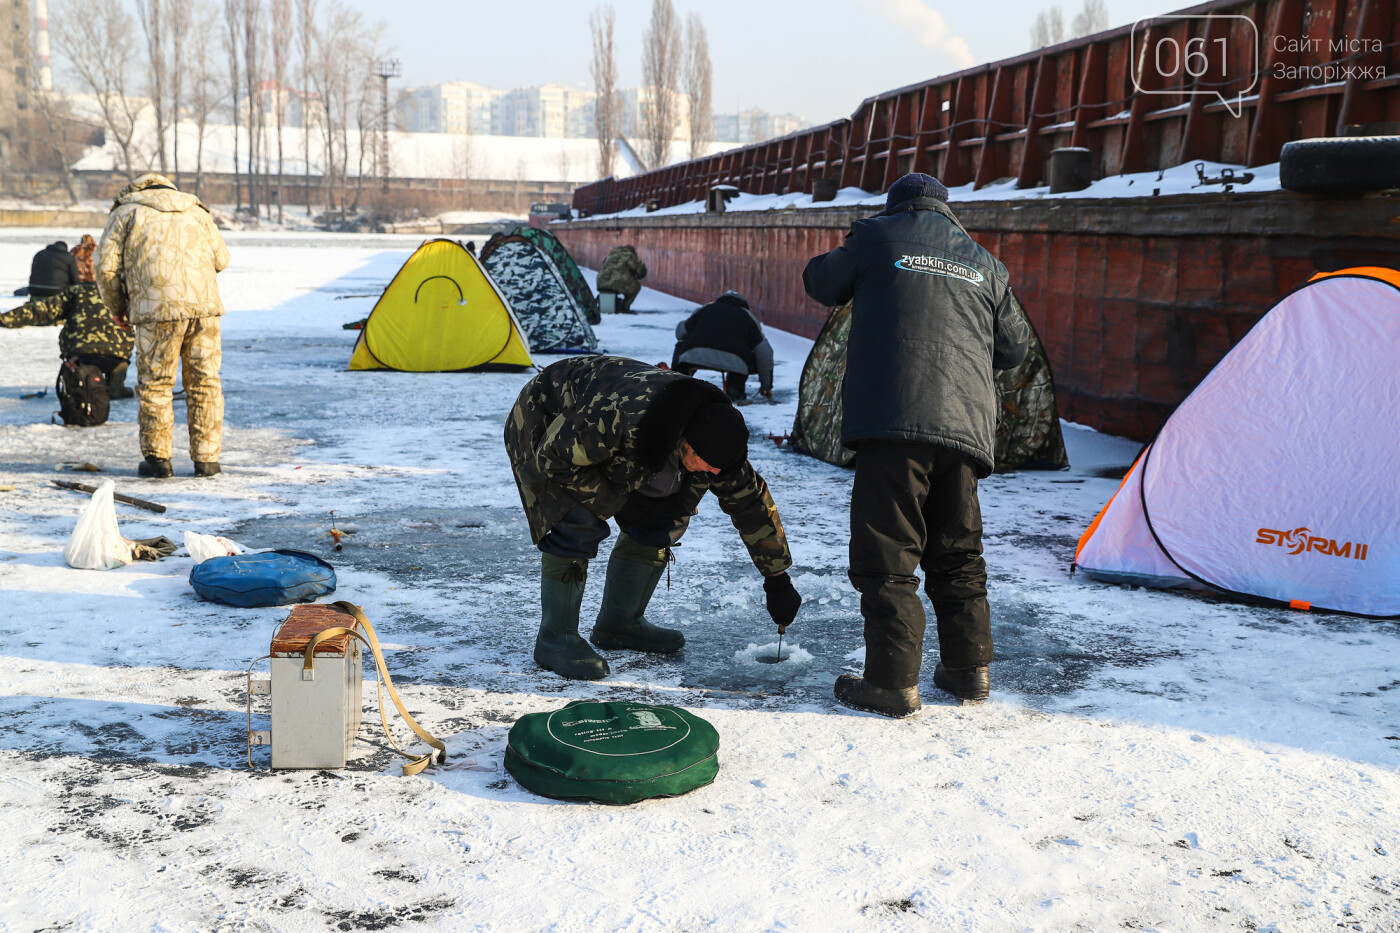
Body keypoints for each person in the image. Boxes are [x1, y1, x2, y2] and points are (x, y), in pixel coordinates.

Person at [802, 172, 1030, 717]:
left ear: (895, 206)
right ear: (945, 209)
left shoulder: (877, 237)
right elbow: (1015, 347)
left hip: (893, 421)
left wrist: (864, 249)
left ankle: (890, 682)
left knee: (888, 552)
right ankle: (967, 671)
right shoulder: (985, 263)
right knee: (958, 552)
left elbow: (820, 282)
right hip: (966, 429)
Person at [504, 354, 802, 681]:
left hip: (613, 440)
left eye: (721, 467)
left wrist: (777, 578)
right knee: (576, 520)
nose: (715, 472)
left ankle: (620, 624)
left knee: (664, 517)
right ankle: (555, 638)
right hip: (547, 419)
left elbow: (750, 501)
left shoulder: (715, 440)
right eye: (707, 462)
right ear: (683, 441)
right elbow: (554, 458)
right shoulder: (620, 416)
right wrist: (609, 501)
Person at [96, 172, 231, 479]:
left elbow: (105, 267)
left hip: (154, 311)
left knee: (156, 383)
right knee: (205, 382)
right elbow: (221, 259)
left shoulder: (126, 212)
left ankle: (158, 460)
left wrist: (118, 307)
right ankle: (207, 461)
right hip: (204, 310)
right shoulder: (196, 211)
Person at [0, 283, 135, 398]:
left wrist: (5, 318)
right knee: (119, 353)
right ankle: (116, 382)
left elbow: (41, 310)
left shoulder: (76, 292)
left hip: (78, 355)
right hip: (115, 355)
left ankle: (76, 381)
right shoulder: (124, 291)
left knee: (77, 365)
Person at [672, 290, 774, 402]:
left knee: (681, 345)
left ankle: (676, 383)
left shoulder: (706, 308)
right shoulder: (748, 316)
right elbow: (765, 353)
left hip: (693, 355)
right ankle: (735, 391)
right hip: (736, 362)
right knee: (753, 355)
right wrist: (766, 386)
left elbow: (681, 333)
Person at [596, 245, 646, 313]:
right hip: (617, 282)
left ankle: (603, 302)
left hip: (601, 282)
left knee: (616, 285)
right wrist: (641, 272)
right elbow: (639, 270)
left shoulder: (611, 255)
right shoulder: (629, 255)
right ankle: (625, 307)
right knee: (636, 287)